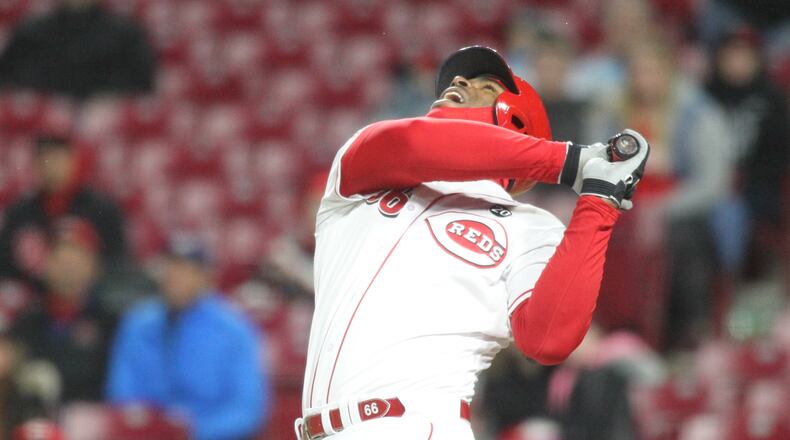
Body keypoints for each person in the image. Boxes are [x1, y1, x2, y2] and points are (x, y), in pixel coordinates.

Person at [296, 46, 649, 439]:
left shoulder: (530, 226)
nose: (459, 83)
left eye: (484, 86)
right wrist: (569, 162)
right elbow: (416, 145)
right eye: (457, 80)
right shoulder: (368, 166)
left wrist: (599, 204)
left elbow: (549, 339)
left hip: (419, 425)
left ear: (519, 121)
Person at [106, 236, 269, 440]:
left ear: (205, 277)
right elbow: (122, 396)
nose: (176, 277)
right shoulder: (138, 323)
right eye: (171, 267)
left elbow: (247, 411)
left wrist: (189, 433)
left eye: (187, 270)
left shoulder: (235, 330)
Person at [706, 27, 789, 279]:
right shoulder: (706, 96)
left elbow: (781, 154)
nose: (737, 63)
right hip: (711, 182)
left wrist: (743, 179)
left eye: (744, 56)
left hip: (758, 185)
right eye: (730, 56)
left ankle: (731, 281)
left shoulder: (773, 99)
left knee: (732, 214)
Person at [0, 134, 127, 291]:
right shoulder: (19, 213)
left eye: (57, 158)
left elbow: (117, 264)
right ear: (35, 165)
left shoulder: (102, 209)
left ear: (73, 161)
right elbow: (6, 266)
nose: (51, 166)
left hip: (89, 299)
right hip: (33, 302)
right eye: (44, 160)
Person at [8, 218, 115, 403]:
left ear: (95, 266)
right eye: (60, 257)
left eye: (77, 257)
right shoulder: (26, 321)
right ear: (45, 264)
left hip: (93, 423)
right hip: (36, 422)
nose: (68, 267)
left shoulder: (111, 323)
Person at [0, 0, 156, 99]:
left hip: (109, 131)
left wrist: (107, 102)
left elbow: (143, 85)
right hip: (43, 130)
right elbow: (10, 79)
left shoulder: (126, 34)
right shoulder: (31, 32)